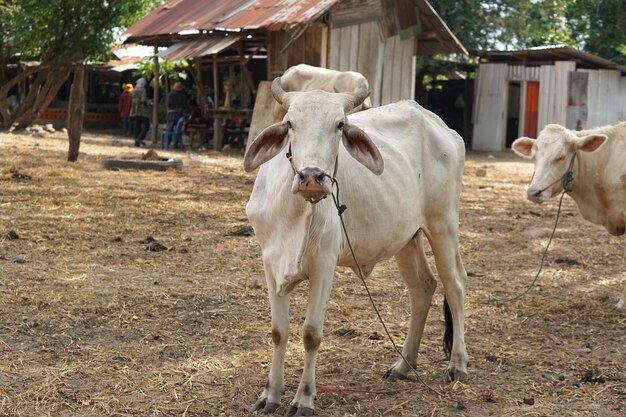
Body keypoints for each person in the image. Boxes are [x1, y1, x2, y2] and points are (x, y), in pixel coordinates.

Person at [164, 81, 189, 150]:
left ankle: (167, 144)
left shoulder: (171, 94)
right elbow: (186, 105)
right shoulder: (183, 96)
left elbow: (168, 103)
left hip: (171, 114)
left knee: (169, 129)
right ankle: (175, 144)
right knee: (178, 130)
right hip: (180, 114)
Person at [129, 78, 150, 147]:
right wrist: (148, 102)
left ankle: (136, 142)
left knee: (137, 126)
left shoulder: (133, 90)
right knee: (147, 126)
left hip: (134, 111)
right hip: (142, 111)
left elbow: (129, 101)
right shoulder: (142, 90)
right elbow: (143, 100)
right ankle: (140, 138)